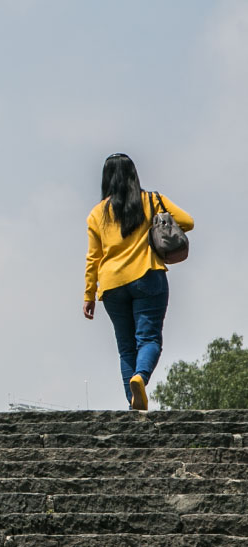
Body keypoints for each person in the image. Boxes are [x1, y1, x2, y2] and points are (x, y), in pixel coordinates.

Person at [83, 153, 194, 411]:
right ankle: (140, 378)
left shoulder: (97, 213)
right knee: (149, 339)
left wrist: (89, 295)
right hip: (148, 276)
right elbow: (188, 222)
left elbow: (93, 257)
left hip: (111, 285)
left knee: (126, 348)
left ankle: (134, 401)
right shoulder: (152, 201)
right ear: (134, 175)